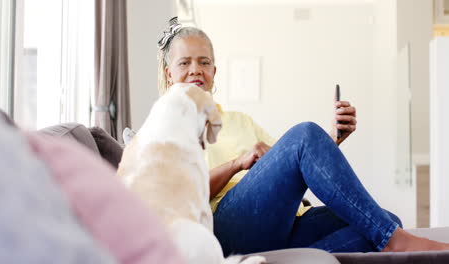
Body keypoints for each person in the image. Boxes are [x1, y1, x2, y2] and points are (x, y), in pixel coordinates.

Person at [156, 17, 449, 254]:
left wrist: (332, 140)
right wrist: (237, 163)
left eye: (204, 62)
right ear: (170, 73)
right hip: (224, 227)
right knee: (306, 136)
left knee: (382, 221)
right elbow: (179, 197)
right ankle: (396, 241)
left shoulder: (239, 121)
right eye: (185, 63)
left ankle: (293, 260)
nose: (196, 70)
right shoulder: (163, 128)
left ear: (214, 70)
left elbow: (290, 163)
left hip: (283, 223)